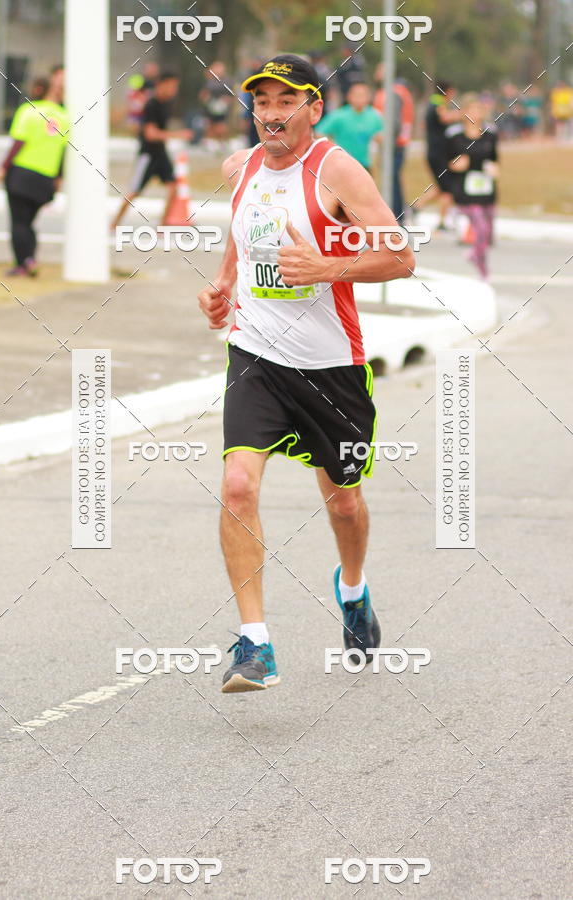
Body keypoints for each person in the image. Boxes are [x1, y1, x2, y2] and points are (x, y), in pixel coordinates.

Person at [197, 54, 414, 693]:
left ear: (313, 109)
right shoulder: (241, 169)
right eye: (261, 102)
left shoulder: (336, 169)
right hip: (257, 356)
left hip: (331, 366)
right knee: (238, 485)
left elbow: (400, 257)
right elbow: (242, 236)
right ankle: (255, 644)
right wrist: (223, 287)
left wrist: (326, 268)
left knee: (343, 502)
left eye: (285, 101)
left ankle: (352, 589)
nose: (270, 113)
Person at [0, 65, 69, 276]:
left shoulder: (28, 111)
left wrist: (3, 167)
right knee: (29, 222)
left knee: (19, 222)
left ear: (38, 89)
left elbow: (18, 143)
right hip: (46, 177)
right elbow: (63, 151)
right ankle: (31, 260)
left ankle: (23, 263)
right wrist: (58, 177)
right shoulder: (63, 116)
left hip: (22, 174)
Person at [111, 72, 192, 229]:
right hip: (148, 154)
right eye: (171, 86)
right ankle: (114, 224)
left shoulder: (166, 104)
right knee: (134, 191)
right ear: (162, 84)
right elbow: (150, 134)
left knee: (174, 186)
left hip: (161, 153)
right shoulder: (152, 104)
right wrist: (178, 135)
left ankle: (162, 225)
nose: (173, 90)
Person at [446, 93, 499, 280]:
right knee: (481, 229)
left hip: (486, 187)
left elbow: (494, 159)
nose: (475, 113)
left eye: (478, 109)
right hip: (465, 189)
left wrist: (494, 168)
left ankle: (478, 260)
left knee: (488, 234)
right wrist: (455, 164)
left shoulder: (490, 134)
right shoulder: (455, 135)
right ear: (463, 112)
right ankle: (480, 263)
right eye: (471, 109)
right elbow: (447, 162)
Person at [413, 80, 461, 229]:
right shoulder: (438, 104)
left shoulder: (432, 103)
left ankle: (416, 207)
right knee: (448, 188)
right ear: (448, 91)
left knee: (442, 185)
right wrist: (464, 114)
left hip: (436, 152)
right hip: (438, 153)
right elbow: (445, 117)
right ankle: (442, 222)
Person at [372, 64, 414, 222]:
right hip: (397, 143)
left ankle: (396, 219)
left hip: (394, 145)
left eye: (380, 70)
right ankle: (397, 217)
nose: (376, 73)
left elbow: (394, 121)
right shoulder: (395, 91)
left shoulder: (392, 93)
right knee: (393, 181)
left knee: (391, 183)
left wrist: (387, 139)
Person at [315, 79, 383, 171]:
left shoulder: (374, 116)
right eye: (357, 95)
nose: (360, 98)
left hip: (365, 165)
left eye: (363, 95)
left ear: (369, 97)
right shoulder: (339, 115)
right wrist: (333, 148)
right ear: (349, 96)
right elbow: (319, 132)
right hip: (342, 165)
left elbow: (382, 138)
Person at [199, 61, 233, 147]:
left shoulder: (227, 81)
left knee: (220, 126)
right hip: (209, 108)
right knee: (209, 125)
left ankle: (222, 144)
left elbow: (232, 96)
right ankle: (208, 144)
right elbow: (203, 95)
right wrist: (206, 99)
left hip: (221, 108)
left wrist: (225, 101)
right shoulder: (209, 81)